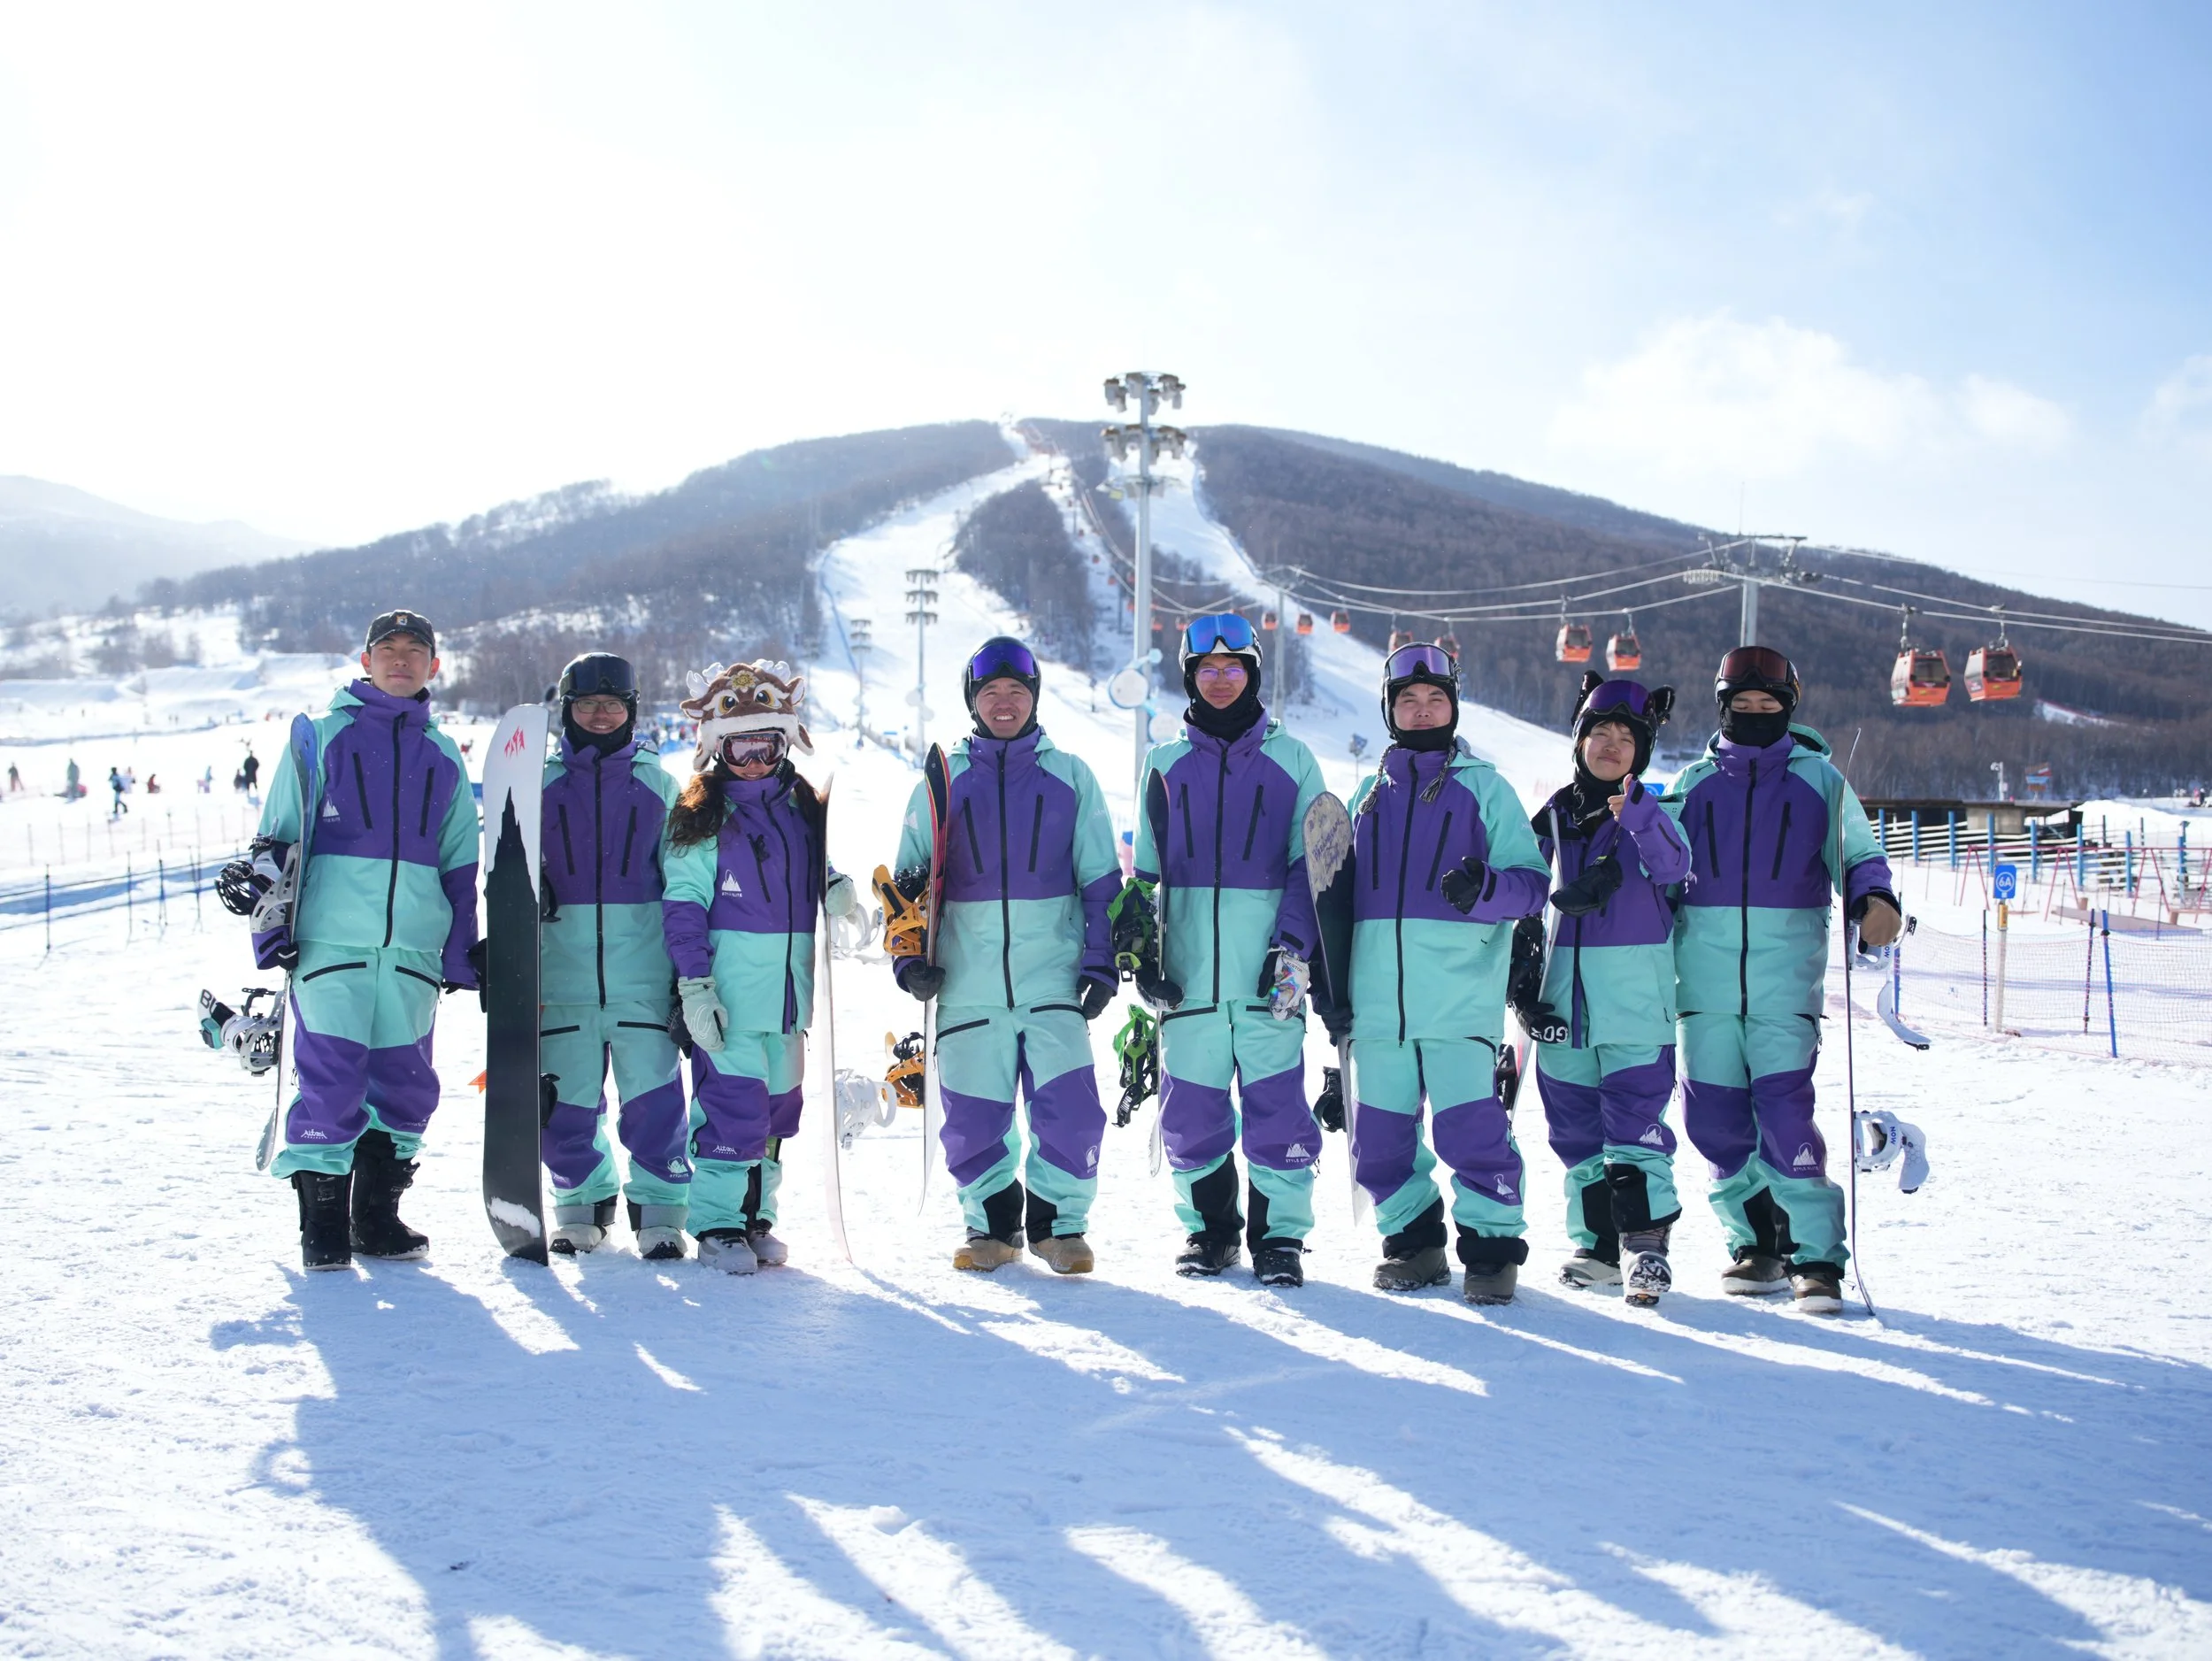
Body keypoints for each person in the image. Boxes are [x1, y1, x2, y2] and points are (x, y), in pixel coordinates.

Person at [1661, 646, 1901, 1314]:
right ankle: (1756, 1241)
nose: (1757, 714)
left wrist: (1872, 899)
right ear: (1724, 706)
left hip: (1783, 986)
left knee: (1785, 1116)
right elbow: (1657, 867)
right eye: (1744, 705)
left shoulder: (1819, 780)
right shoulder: (1693, 784)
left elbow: (1859, 852)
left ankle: (1816, 1256)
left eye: (1771, 706)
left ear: (1790, 708)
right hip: (1703, 988)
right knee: (1712, 1121)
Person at [250, 609, 480, 1271]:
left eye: (416, 650)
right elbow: (277, 841)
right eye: (389, 649)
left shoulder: (443, 755)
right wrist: (272, 931)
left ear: (433, 665)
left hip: (410, 951)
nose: (401, 660)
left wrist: (461, 949)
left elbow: (460, 862)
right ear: (365, 659)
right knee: (331, 1081)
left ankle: (375, 1219)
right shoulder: (320, 738)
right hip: (331, 945)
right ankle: (322, 1227)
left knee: (407, 1086)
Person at [890, 636, 1119, 1274]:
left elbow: (1100, 879)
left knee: (1071, 1112)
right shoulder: (942, 780)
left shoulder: (1070, 776)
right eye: (990, 692)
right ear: (973, 701)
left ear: (1034, 697)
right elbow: (908, 881)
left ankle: (1059, 1224)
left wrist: (1100, 961)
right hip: (966, 981)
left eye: (1016, 691)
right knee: (972, 1115)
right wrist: (910, 958)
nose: (1004, 702)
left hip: (1052, 978)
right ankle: (990, 1227)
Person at [1343, 643, 1550, 1303]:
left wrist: (1486, 889)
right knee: (1377, 1140)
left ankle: (1491, 1250)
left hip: (1460, 1001)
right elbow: (1331, 897)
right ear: (1390, 709)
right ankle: (1414, 1244)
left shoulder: (1485, 786)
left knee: (1471, 1131)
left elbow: (1532, 885)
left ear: (1454, 707)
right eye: (1408, 699)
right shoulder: (1366, 796)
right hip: (1377, 1005)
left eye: (1436, 700)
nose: (1423, 709)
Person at [1130, 614, 1326, 1286]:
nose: (1220, 680)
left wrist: (1293, 948)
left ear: (1253, 674)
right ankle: (1210, 1231)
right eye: (1207, 670)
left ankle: (1279, 1240)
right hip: (1189, 981)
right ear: (1189, 676)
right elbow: (1147, 880)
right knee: (1192, 1110)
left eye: (1233, 668)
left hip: (1270, 972)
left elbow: (1312, 866)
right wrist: (1145, 957)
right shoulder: (1162, 763)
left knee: (1278, 1108)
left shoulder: (1292, 758)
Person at [664, 659, 856, 1273]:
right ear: (718, 748)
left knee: (775, 1116)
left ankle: (755, 1218)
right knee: (730, 1110)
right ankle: (718, 1223)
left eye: (764, 746)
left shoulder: (801, 808)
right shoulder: (702, 815)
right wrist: (695, 988)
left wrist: (838, 888)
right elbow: (684, 908)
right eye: (740, 748)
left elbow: (813, 870)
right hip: (732, 1000)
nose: (753, 761)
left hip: (788, 1003)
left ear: (783, 743)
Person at [1510, 674, 1691, 1303]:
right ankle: (1597, 1247)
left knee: (1633, 1130)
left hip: (1634, 1010)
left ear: (1641, 750)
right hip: (1562, 1007)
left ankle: (1645, 1248)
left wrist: (1637, 811)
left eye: (1625, 737)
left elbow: (1675, 866)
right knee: (1577, 1136)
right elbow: (1524, 890)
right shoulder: (1555, 815)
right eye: (1599, 734)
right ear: (1579, 741)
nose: (1611, 746)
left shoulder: (1656, 817)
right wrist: (1522, 967)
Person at [536, 652, 693, 1259]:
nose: (599, 715)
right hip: (562, 976)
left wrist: (686, 974)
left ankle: (660, 1211)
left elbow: (684, 885)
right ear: (567, 711)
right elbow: (501, 875)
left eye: (612, 704)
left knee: (654, 1102)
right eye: (586, 704)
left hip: (643, 979)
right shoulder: (539, 785)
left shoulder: (660, 785)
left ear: (631, 709)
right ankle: (581, 1203)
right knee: (566, 1103)